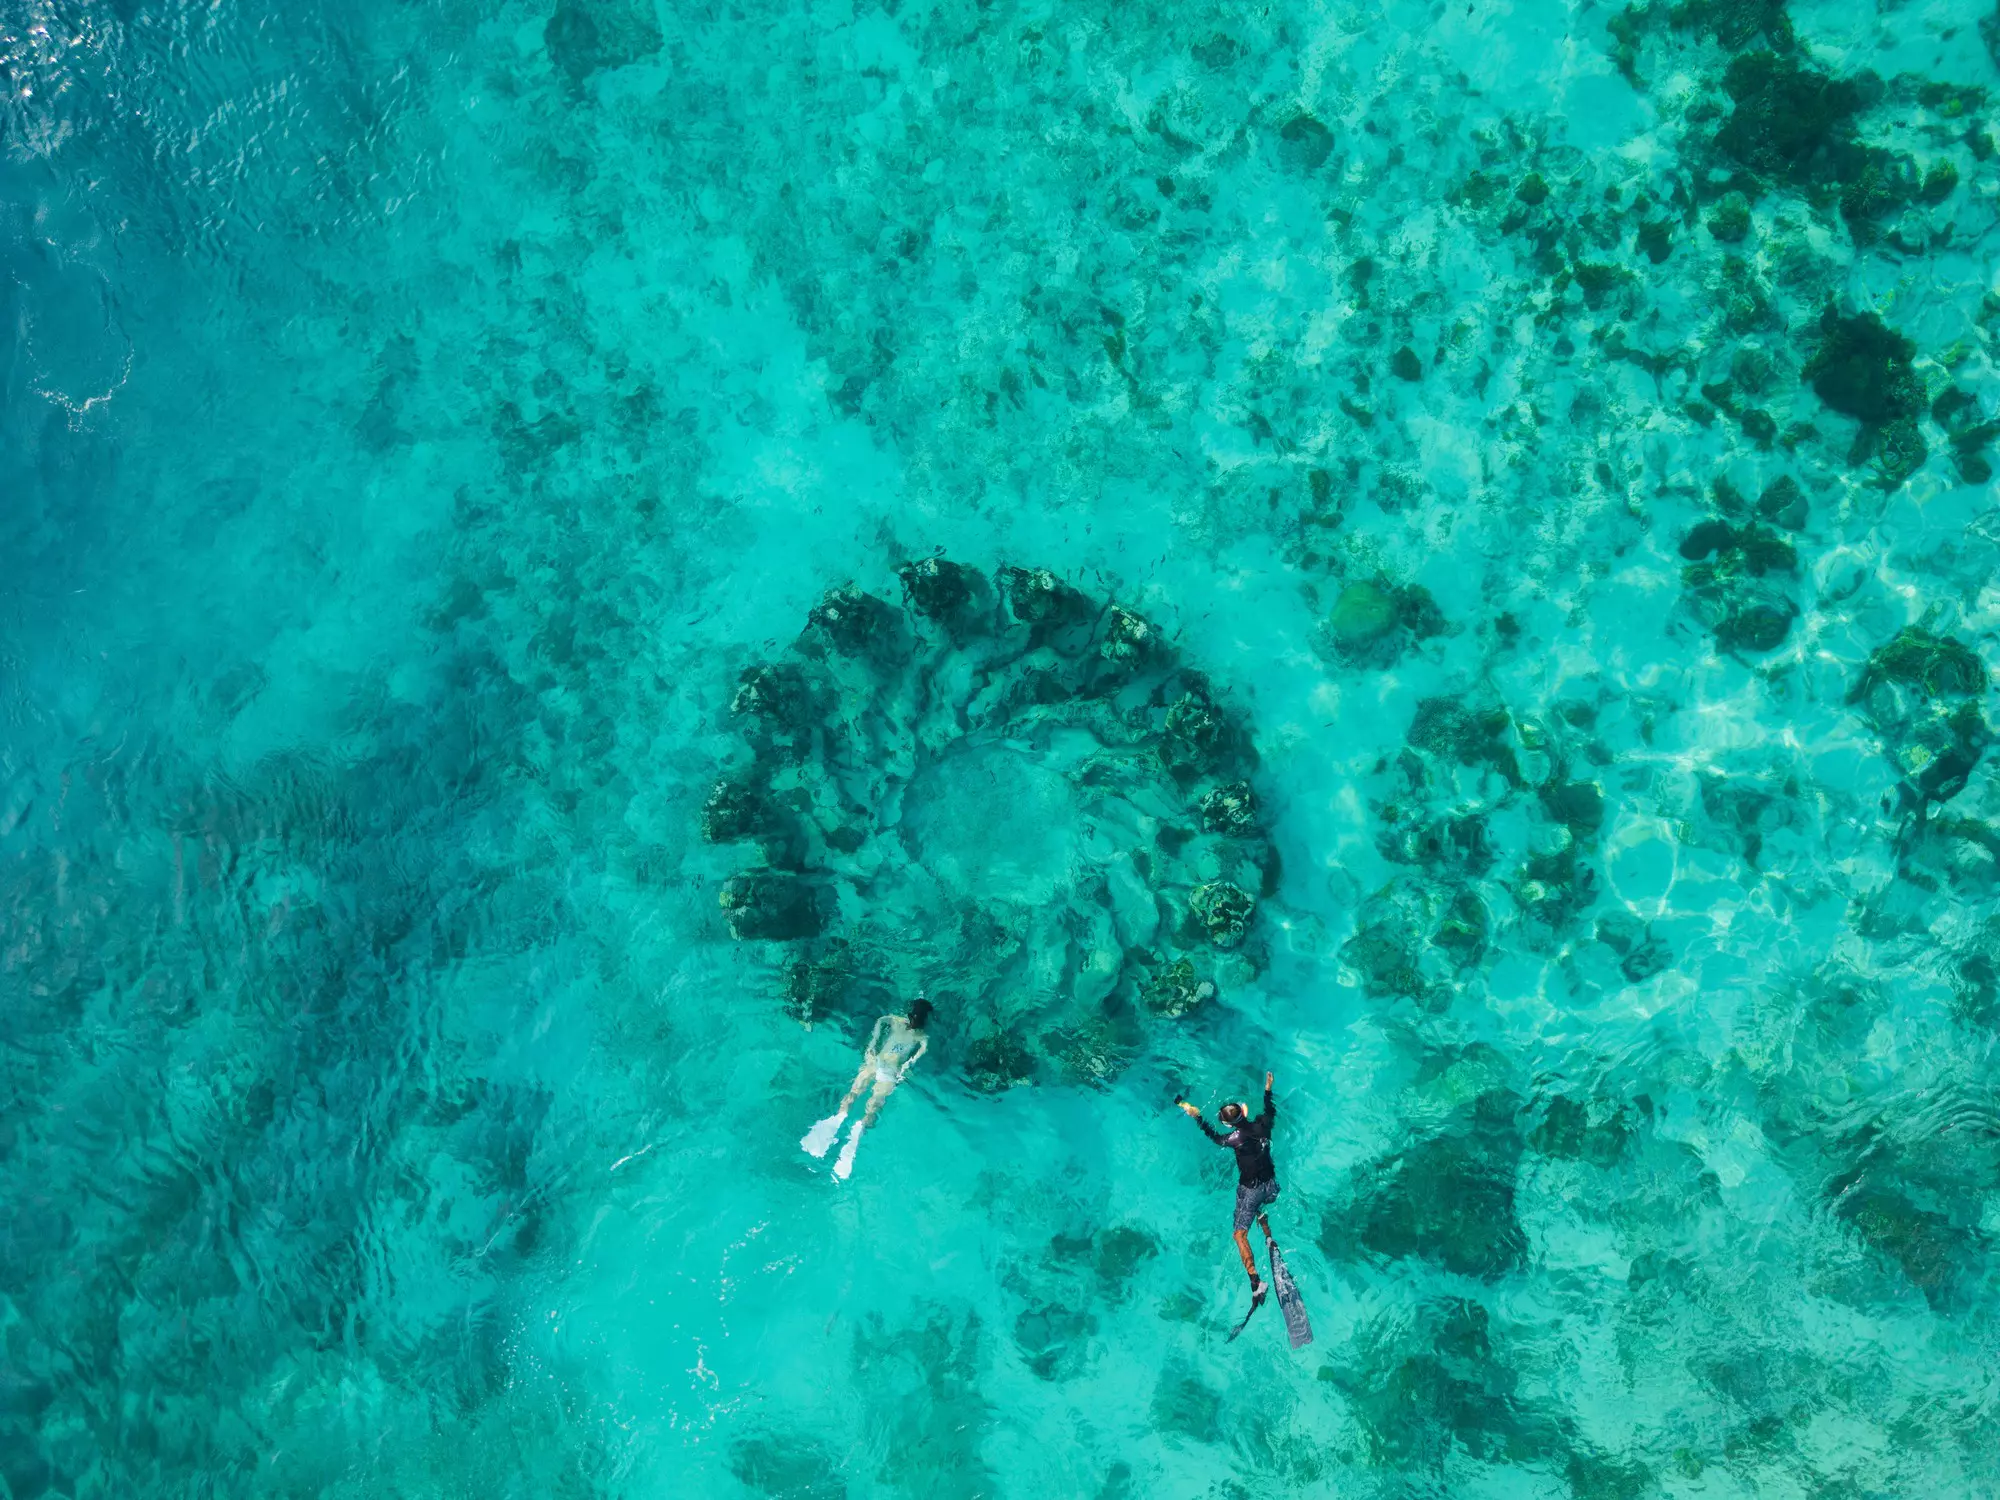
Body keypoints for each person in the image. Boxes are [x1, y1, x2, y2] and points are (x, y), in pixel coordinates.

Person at [801, 998, 932, 1180]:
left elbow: (916, 1054)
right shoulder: (904, 1025)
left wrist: (902, 1068)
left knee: (872, 1104)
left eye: (915, 1020)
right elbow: (881, 1021)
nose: (912, 1022)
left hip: (886, 1069)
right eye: (912, 1018)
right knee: (859, 1096)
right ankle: (844, 1120)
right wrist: (872, 1046)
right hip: (878, 1063)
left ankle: (856, 1128)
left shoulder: (917, 1034)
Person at [1178, 1071, 1278, 1305]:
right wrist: (1267, 1089)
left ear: (1227, 1123)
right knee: (1258, 1205)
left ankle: (1256, 1282)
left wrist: (1197, 1117)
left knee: (1239, 1234)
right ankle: (1267, 1234)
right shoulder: (1263, 1124)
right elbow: (1270, 1110)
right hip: (1272, 1184)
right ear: (1243, 1111)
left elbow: (1214, 1137)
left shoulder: (1231, 1140)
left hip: (1251, 1189)